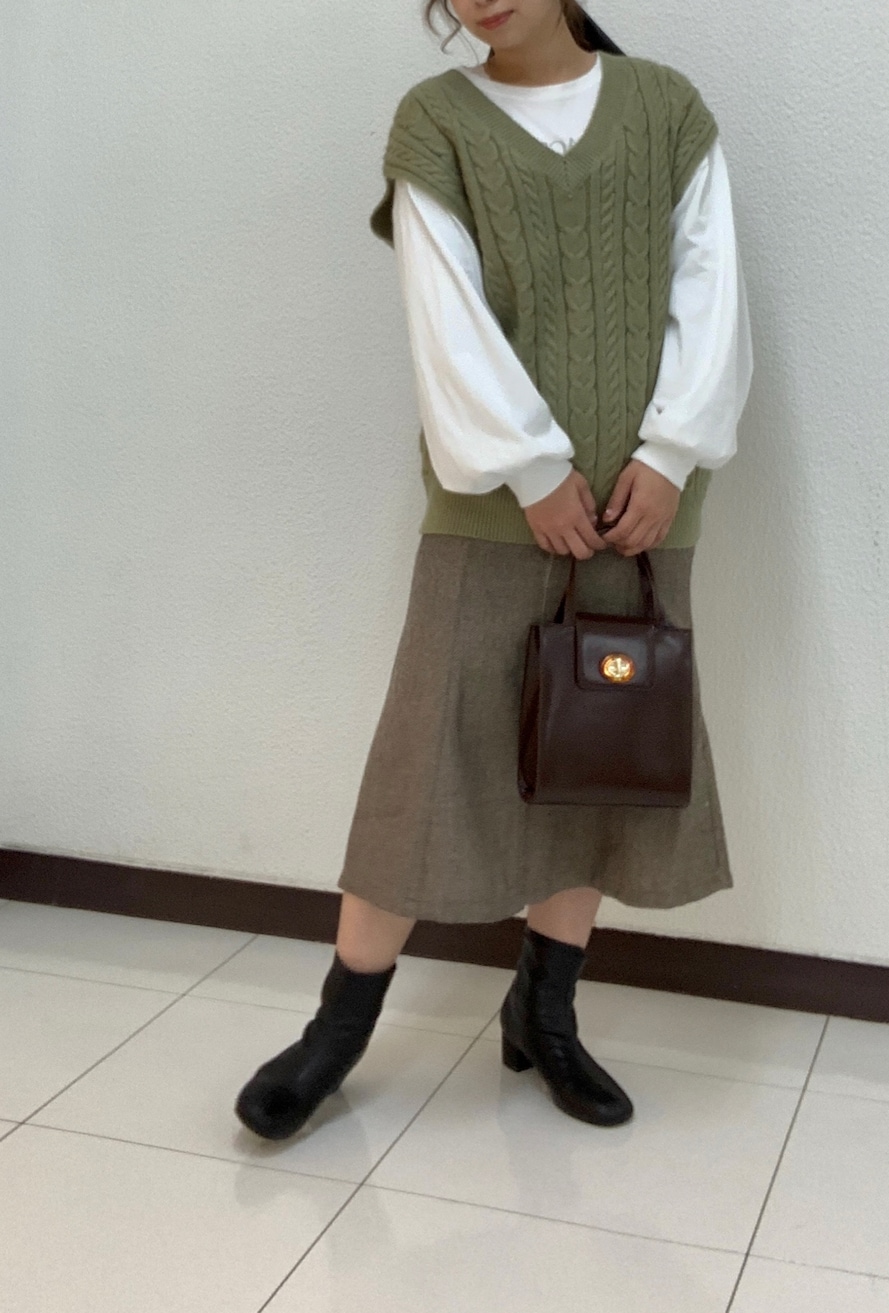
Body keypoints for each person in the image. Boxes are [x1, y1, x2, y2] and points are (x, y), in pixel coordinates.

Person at [235, 0, 752, 1140]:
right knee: (427, 753)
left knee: (597, 755)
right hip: (494, 502)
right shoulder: (437, 122)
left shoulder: (666, 109)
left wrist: (669, 456)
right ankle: (337, 1029)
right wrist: (529, 468)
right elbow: (445, 315)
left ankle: (544, 1012)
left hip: (641, 504)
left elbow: (710, 287)